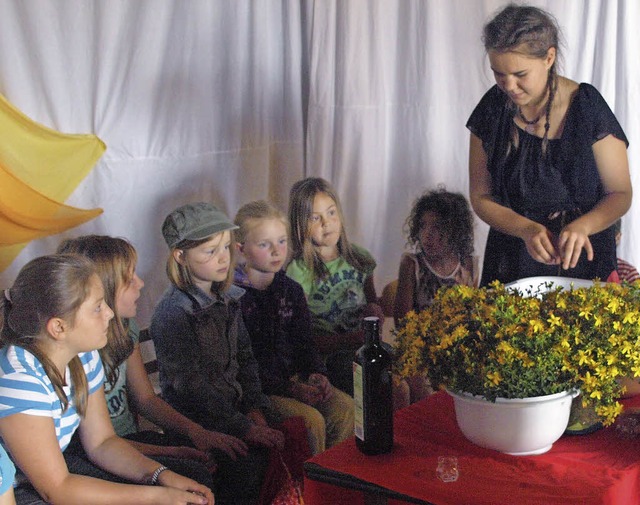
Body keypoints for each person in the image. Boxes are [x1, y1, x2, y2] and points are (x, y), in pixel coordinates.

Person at [0, 254, 213, 505]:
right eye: (98, 307)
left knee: (191, 477)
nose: (110, 314)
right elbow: (56, 489)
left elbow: (102, 442)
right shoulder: (18, 380)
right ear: (58, 328)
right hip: (22, 490)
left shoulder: (83, 353)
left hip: (56, 473)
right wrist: (157, 496)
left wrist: (161, 476)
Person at [57, 235, 250, 490]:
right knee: (194, 473)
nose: (141, 283)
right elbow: (94, 444)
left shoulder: (125, 329)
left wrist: (196, 433)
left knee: (229, 457)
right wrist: (172, 452)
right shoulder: (74, 352)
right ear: (101, 288)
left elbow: (145, 399)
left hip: (129, 440)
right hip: (92, 455)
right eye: (129, 280)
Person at [467, 3, 632, 286]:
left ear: (549, 57)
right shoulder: (491, 109)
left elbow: (620, 193)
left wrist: (583, 226)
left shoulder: (587, 107)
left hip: (585, 257)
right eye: (498, 73)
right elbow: (481, 196)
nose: (508, 86)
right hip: (512, 256)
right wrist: (525, 229)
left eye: (520, 75)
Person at [150, 202, 285, 505]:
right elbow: (191, 387)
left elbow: (246, 359)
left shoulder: (227, 299)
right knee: (246, 464)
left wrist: (253, 406)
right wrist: (243, 426)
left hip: (233, 409)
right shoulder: (174, 313)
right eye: (209, 252)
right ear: (180, 256)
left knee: (287, 434)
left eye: (225, 247)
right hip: (197, 421)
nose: (223, 258)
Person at [233, 200, 354, 455]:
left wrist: (317, 374)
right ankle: (307, 488)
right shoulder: (233, 298)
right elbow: (244, 366)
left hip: (295, 381)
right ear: (241, 248)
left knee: (345, 408)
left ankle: (337, 481)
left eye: (282, 241)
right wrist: (290, 389)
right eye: (265, 244)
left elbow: (305, 343)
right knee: (311, 422)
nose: (277, 251)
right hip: (261, 392)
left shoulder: (291, 290)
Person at [286, 177, 386, 396]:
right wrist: (347, 340)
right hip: (329, 357)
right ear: (300, 224)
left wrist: (376, 311)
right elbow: (301, 338)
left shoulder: (360, 258)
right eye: (315, 218)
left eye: (331, 213)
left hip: (363, 346)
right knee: (382, 384)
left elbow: (372, 302)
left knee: (401, 379)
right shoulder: (298, 272)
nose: (326, 223)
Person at [394, 188, 479, 324]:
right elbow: (401, 323)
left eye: (437, 227)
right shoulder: (412, 264)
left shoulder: (468, 264)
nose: (427, 234)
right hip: (420, 342)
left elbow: (472, 316)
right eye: (422, 226)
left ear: (456, 231)